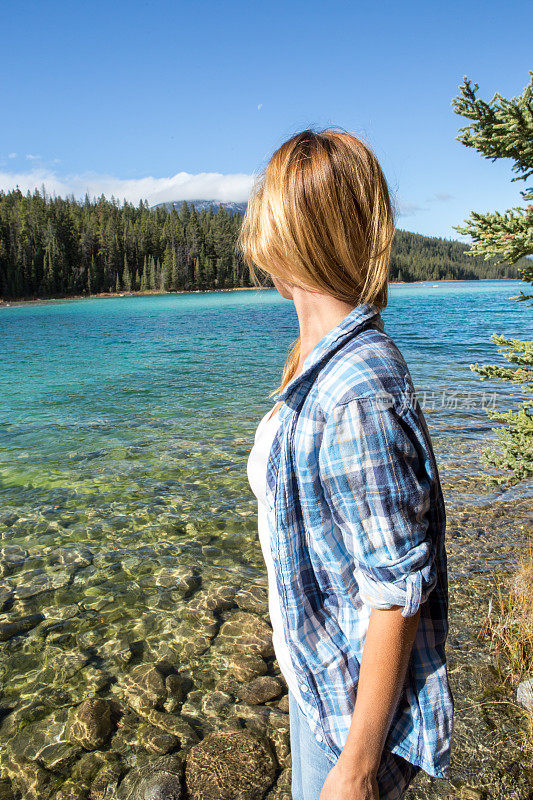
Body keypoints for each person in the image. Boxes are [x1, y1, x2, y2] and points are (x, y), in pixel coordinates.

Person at [239, 128, 454, 800]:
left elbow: (395, 590)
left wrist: (356, 769)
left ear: (285, 233)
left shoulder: (356, 386)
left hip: (348, 712)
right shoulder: (316, 358)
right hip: (319, 676)